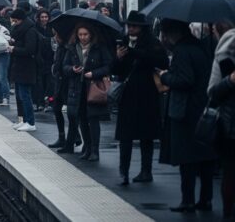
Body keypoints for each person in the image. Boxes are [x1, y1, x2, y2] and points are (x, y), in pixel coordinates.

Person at [156, 18, 218, 213]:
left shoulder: (182, 51)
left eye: (166, 34)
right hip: (201, 107)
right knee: (204, 158)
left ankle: (188, 200)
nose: (165, 38)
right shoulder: (201, 46)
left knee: (187, 159)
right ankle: (206, 199)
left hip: (184, 112)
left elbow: (184, 80)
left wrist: (165, 75)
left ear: (174, 33)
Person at [113, 11, 168, 185]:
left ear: (142, 28)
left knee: (147, 136)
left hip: (147, 94)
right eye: (129, 25)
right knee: (125, 137)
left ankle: (146, 171)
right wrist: (119, 58)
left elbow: (162, 61)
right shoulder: (122, 43)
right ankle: (124, 171)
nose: (131, 29)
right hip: (128, 95)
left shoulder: (152, 43)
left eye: (134, 26)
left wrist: (134, 53)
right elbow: (115, 70)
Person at [61, 23, 112, 161]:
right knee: (82, 119)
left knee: (93, 119)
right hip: (78, 88)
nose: (83, 37)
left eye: (86, 34)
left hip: (93, 87)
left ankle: (95, 150)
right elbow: (64, 67)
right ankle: (87, 147)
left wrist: (94, 73)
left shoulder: (99, 47)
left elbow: (108, 66)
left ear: (91, 35)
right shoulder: (72, 48)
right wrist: (72, 69)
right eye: (80, 35)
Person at [207, 24, 235, 219]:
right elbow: (214, 91)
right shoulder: (226, 54)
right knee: (231, 172)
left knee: (230, 172)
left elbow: (213, 91)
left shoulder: (223, 51)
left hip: (228, 123)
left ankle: (228, 213)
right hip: (230, 123)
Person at [48, 28, 81, 149]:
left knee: (72, 113)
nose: (55, 37)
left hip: (68, 83)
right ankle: (63, 137)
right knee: (57, 109)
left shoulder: (69, 48)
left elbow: (65, 65)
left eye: (57, 35)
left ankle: (72, 137)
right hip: (59, 83)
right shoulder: (61, 47)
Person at [8, 8, 39, 131]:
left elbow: (30, 50)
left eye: (15, 21)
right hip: (20, 66)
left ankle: (30, 122)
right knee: (21, 95)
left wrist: (14, 49)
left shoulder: (30, 31)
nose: (14, 23)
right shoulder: (21, 30)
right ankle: (25, 120)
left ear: (21, 20)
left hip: (27, 67)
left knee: (25, 96)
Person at [35, 9, 54, 112]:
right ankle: (40, 102)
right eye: (42, 17)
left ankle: (50, 101)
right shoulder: (35, 28)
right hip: (39, 58)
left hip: (50, 58)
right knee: (40, 82)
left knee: (50, 82)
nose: (44, 19)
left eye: (46, 17)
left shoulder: (51, 28)